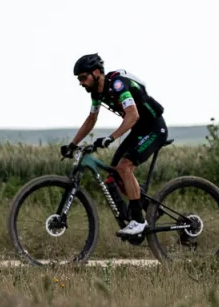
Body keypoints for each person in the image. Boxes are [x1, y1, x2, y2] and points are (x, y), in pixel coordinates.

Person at [67, 54, 170, 237]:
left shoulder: (117, 85)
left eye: (83, 77)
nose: (81, 83)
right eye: (79, 79)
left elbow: (133, 115)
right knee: (115, 174)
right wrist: (72, 144)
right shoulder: (96, 93)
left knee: (124, 168)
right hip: (139, 129)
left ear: (96, 72)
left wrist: (111, 137)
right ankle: (150, 210)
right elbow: (91, 119)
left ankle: (139, 221)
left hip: (154, 128)